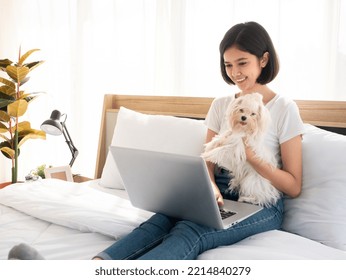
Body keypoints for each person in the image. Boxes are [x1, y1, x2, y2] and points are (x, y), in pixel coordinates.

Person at [8, 21, 305, 260]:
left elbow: (293, 185)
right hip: (219, 192)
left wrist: (253, 157)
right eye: (228, 66)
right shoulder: (221, 105)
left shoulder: (284, 108)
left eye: (242, 63)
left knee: (191, 231)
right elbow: (208, 159)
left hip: (262, 203)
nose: (235, 73)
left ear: (263, 59)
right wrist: (210, 187)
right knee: (158, 222)